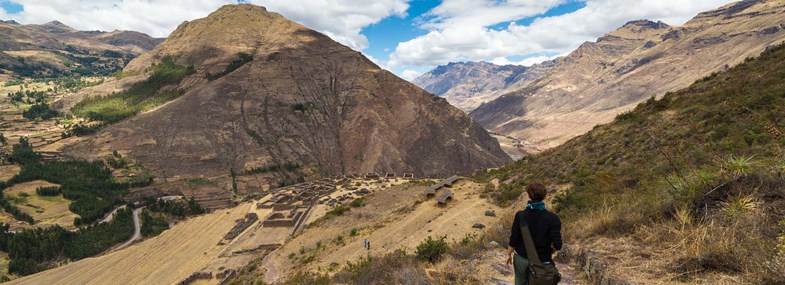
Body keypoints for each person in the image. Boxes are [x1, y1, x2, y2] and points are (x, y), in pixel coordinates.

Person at [506, 183, 562, 285]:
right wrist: (548, 252)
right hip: (543, 261)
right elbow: (558, 245)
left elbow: (514, 239)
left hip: (521, 259)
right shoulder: (553, 218)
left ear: (529, 195)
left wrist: (509, 253)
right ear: (544, 197)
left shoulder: (520, 216)